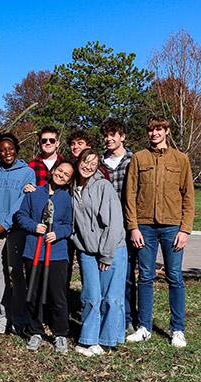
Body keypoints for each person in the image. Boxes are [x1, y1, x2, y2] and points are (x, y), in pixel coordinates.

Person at [125, 116, 194, 348]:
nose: (154, 133)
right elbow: (130, 195)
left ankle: (178, 329)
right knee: (145, 277)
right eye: (151, 130)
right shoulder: (138, 158)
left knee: (174, 277)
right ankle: (144, 327)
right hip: (144, 227)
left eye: (158, 130)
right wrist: (133, 226)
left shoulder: (181, 159)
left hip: (173, 226)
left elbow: (188, 197)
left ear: (166, 131)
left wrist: (185, 229)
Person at [71, 149, 127, 356]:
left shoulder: (102, 186)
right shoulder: (73, 187)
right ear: (78, 162)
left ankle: (107, 340)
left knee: (111, 297)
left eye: (93, 164)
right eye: (85, 162)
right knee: (91, 296)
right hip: (87, 250)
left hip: (111, 248)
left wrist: (106, 254)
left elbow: (113, 223)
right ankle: (88, 339)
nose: (88, 166)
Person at [16, 160, 75, 353]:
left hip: (57, 253)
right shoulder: (33, 194)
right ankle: (35, 331)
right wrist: (34, 226)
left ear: (69, 180)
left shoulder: (66, 199)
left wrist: (57, 232)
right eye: (60, 171)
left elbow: (69, 225)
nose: (61, 175)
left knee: (57, 295)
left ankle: (60, 334)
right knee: (33, 292)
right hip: (34, 251)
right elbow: (21, 216)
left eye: (66, 174)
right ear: (53, 171)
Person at [0, 132, 35, 335]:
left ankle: (19, 319)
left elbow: (22, 202)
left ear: (16, 149)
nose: (7, 153)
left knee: (15, 274)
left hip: (16, 229)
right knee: (0, 274)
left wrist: (4, 224)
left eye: (10, 148)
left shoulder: (27, 172)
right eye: (3, 150)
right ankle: (3, 319)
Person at [98, 118, 137, 334]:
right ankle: (106, 314)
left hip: (126, 223)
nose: (109, 138)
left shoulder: (134, 160)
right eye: (106, 135)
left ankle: (128, 318)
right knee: (105, 271)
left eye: (113, 134)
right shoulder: (99, 163)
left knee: (128, 275)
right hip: (103, 227)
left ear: (122, 136)